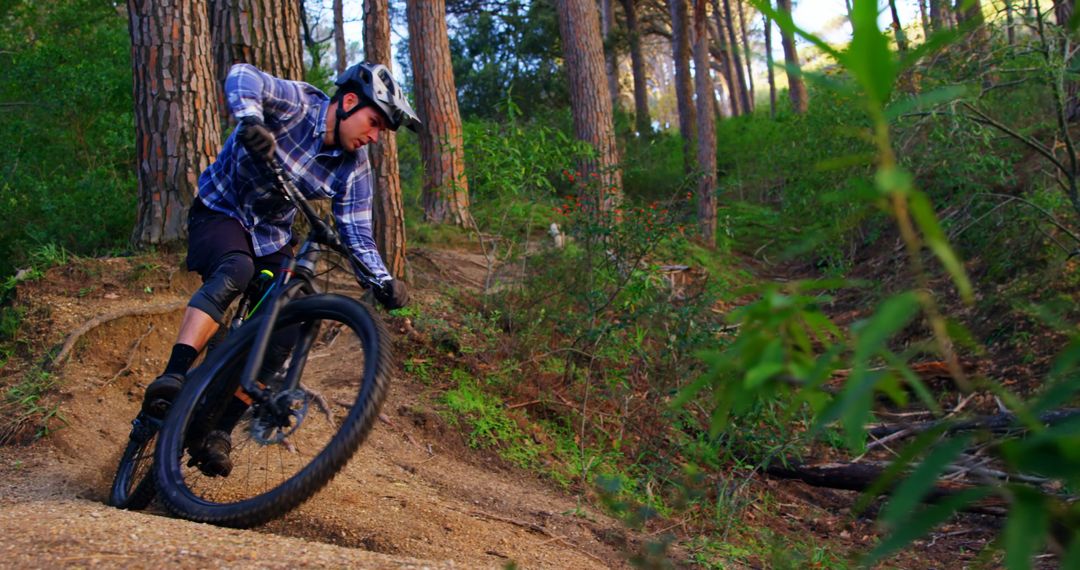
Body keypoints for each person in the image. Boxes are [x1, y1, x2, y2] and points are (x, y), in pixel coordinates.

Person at [140, 61, 420, 477]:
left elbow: (357, 232)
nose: (374, 136)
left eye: (381, 131)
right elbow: (241, 75)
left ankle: (219, 430)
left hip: (271, 236)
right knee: (236, 269)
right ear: (347, 101)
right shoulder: (298, 105)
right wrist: (252, 120)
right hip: (220, 211)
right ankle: (174, 375)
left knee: (288, 324)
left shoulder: (355, 166)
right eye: (374, 122)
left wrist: (381, 280)